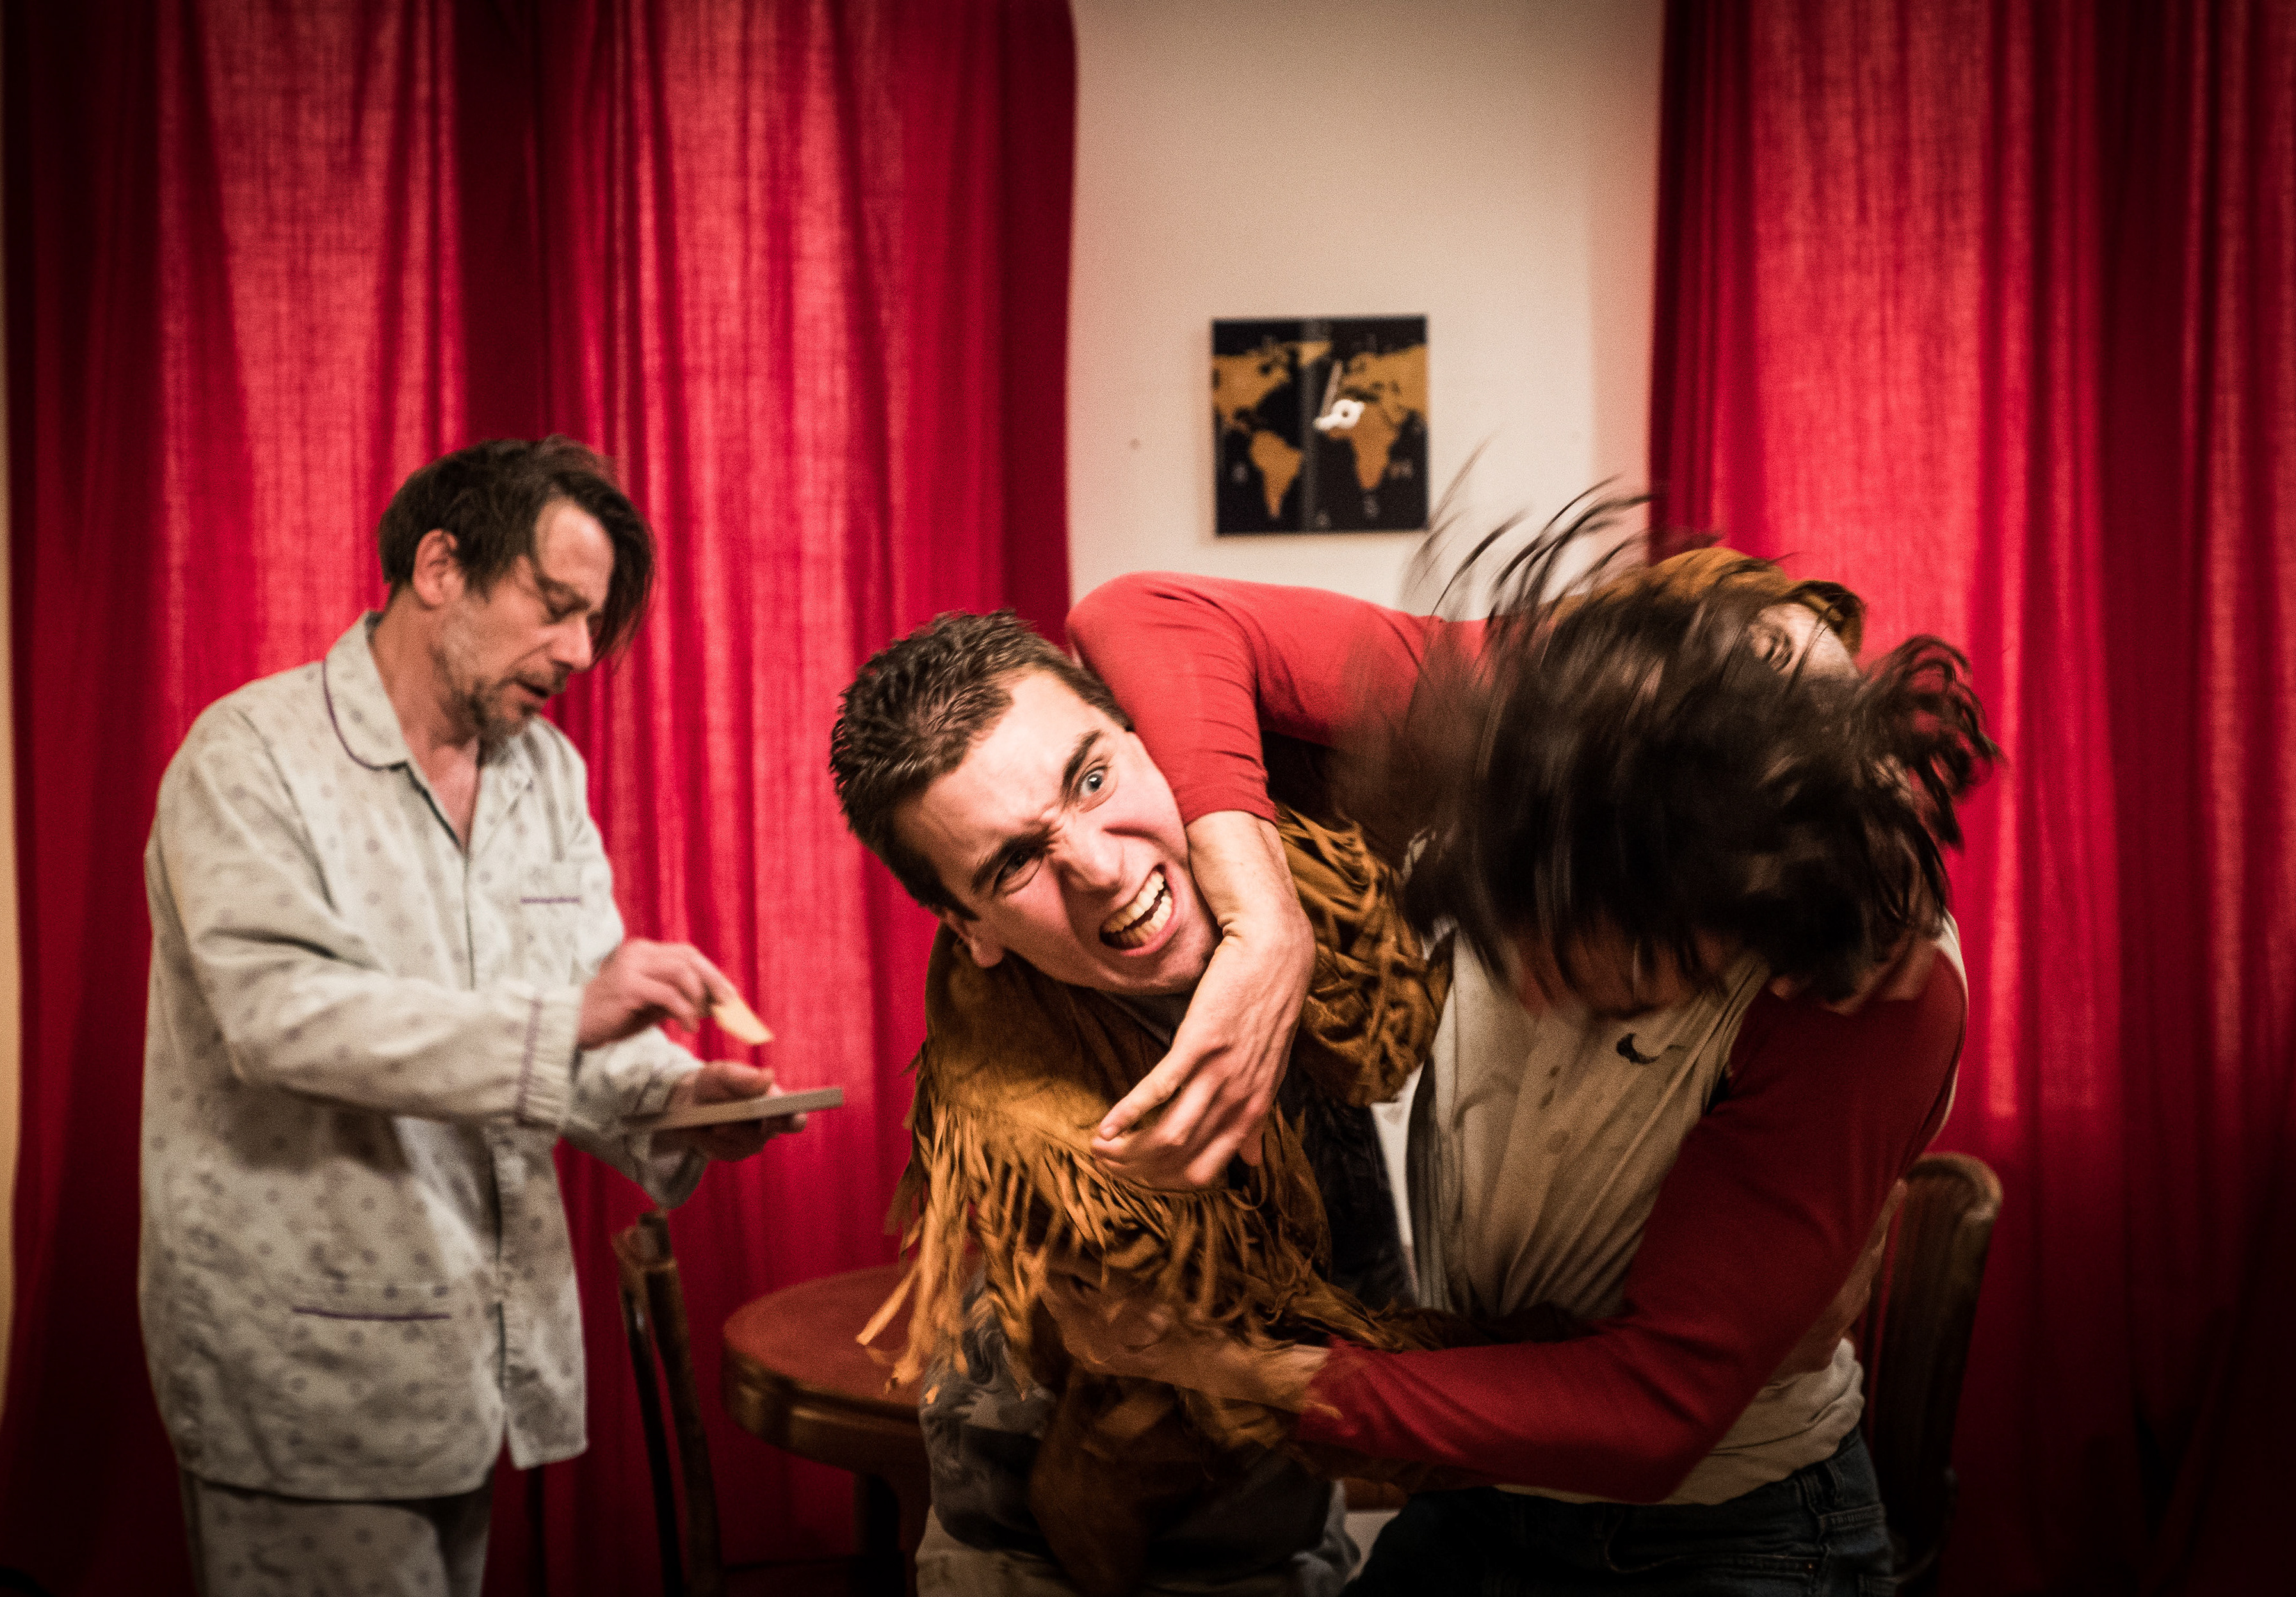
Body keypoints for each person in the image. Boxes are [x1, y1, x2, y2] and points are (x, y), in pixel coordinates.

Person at [1051, 531, 1998, 1594]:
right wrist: (1260, 918)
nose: (1532, 990)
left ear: (1730, 905)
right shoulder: (1534, 707)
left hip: (1725, 1534)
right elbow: (1143, 611)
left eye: (1595, 961)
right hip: (1478, 1494)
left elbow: (1649, 1415)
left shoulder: (1863, 990)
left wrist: (1225, 1365)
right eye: (1507, 926)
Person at [138, 437, 798, 1597]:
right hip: (304, 1371)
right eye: (556, 606)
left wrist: (679, 1100)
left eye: (592, 621)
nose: (580, 652)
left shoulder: (545, 773)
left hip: (476, 1364)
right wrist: (571, 1016)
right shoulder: (249, 758)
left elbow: (577, 1022)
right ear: (440, 566)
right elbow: (280, 1019)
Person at [829, 611, 1492, 1597]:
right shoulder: (1047, 1129)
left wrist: (1270, 927)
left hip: (1292, 1542)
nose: (1100, 869)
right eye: (1014, 863)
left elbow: (1145, 610)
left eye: (1091, 779)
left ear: (1161, 741)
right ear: (970, 930)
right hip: (1030, 1566)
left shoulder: (1303, 895)